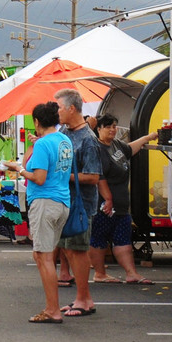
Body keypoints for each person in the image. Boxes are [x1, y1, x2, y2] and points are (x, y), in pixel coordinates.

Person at [5, 101, 73, 323]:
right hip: (62, 200)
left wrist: (19, 169)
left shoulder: (44, 144)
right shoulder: (64, 140)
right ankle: (52, 307)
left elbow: (39, 178)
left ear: (36, 121)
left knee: (43, 257)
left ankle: (52, 309)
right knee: (43, 254)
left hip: (45, 201)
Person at [89, 114, 158, 285]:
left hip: (121, 205)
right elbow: (99, 177)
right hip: (103, 205)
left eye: (114, 126)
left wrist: (149, 137)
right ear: (98, 129)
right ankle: (99, 273)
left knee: (123, 240)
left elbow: (130, 149)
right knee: (99, 239)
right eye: (108, 126)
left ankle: (131, 273)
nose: (112, 130)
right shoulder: (96, 149)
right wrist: (108, 199)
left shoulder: (117, 146)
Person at [53, 88, 102, 317]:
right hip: (66, 201)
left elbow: (93, 177)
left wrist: (64, 174)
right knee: (69, 251)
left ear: (72, 109)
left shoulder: (88, 140)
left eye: (59, 107)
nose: (57, 112)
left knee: (78, 251)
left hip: (81, 205)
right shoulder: (65, 131)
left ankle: (84, 299)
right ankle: (81, 298)